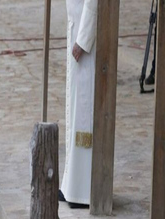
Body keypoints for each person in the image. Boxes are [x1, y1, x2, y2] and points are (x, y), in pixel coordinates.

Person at [59, 0, 98, 208]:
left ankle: (82, 192)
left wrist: (83, 40)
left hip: (86, 41)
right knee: (74, 108)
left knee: (83, 109)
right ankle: (71, 185)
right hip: (75, 29)